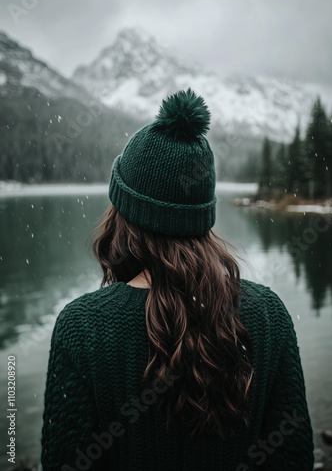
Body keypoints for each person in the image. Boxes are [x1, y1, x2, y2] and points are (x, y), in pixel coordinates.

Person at [40, 88, 314, 470]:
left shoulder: (82, 328)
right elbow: (294, 459)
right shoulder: (269, 315)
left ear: (123, 214)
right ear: (203, 214)